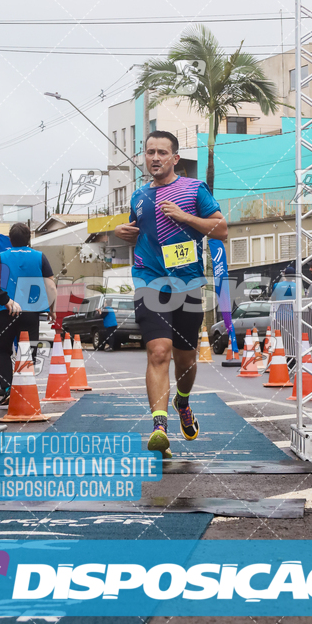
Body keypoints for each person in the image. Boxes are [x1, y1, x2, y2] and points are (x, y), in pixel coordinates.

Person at [114, 130, 227, 457]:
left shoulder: (194, 190)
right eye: (150, 152)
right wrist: (122, 232)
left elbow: (221, 229)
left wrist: (184, 216)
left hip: (189, 284)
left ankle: (183, 402)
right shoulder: (138, 196)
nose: (155, 158)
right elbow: (137, 233)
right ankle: (159, 427)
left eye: (162, 152)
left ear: (175, 158)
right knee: (158, 351)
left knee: (186, 360)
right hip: (150, 280)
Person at [0, 222, 57, 406]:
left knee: (4, 351)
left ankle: (7, 389)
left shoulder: (1, 256)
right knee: (29, 351)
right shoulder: (39, 257)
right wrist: (52, 310)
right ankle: (24, 389)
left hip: (6, 311)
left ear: (10, 240)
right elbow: (50, 285)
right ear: (29, 239)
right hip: (32, 311)